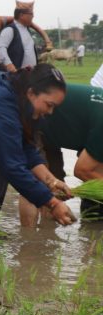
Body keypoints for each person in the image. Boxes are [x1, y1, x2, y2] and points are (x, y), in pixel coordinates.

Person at [0, 65, 75, 225]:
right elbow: (13, 167)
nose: (50, 112)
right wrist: (52, 203)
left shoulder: (19, 99)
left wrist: (52, 181)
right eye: (49, 105)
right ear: (31, 92)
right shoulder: (1, 105)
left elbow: (24, 147)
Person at [39, 83, 103, 220]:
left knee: (54, 187)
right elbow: (82, 170)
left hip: (53, 127)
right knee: (36, 186)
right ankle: (31, 237)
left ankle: (47, 233)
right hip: (35, 119)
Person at [0, 1, 50, 73]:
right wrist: (9, 65)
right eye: (31, 14)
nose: (33, 16)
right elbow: (0, 48)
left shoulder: (27, 30)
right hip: (15, 76)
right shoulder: (10, 30)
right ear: (22, 15)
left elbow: (27, 50)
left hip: (29, 76)